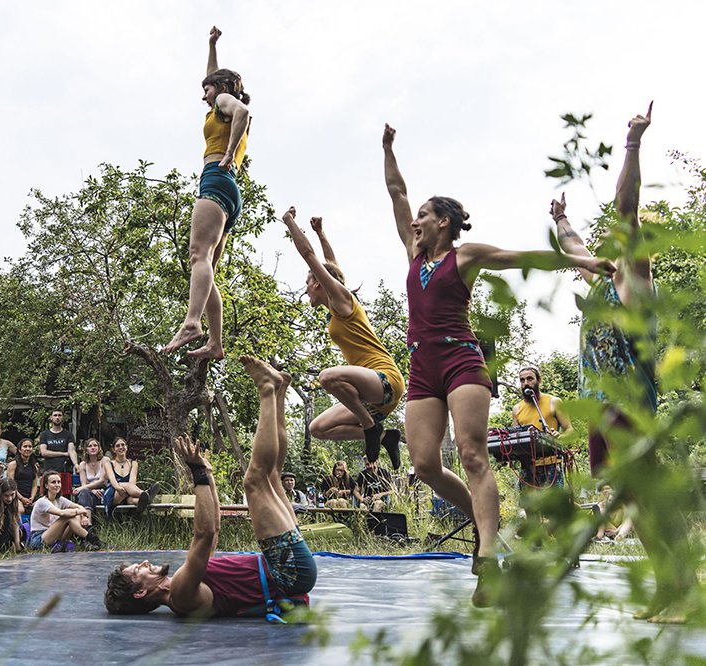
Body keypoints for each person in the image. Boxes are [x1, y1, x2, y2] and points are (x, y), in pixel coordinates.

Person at [382, 123, 614, 606]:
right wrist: (388, 149)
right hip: (422, 363)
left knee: (471, 454)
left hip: (462, 358)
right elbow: (397, 191)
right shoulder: (413, 253)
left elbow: (520, 256)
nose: (415, 221)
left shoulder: (466, 255)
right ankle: (490, 521)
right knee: (424, 463)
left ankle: (487, 558)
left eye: (424, 215)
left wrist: (584, 263)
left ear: (443, 221)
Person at [552, 103, 699, 622]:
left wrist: (633, 142)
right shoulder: (602, 283)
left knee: (643, 492)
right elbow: (574, 249)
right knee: (630, 495)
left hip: (627, 404)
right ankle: (672, 582)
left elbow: (626, 207)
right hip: (599, 407)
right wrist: (562, 219)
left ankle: (680, 585)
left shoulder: (636, 281)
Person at [105, 356, 317, 618]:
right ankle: (266, 389)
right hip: (288, 572)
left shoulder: (183, 587)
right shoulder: (180, 595)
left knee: (272, 476)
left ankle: (278, 392)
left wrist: (207, 475)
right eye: (138, 570)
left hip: (287, 569)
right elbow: (204, 535)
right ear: (140, 593)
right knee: (254, 481)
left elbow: (213, 529)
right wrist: (197, 472)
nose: (145, 562)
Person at [281, 209, 405, 468]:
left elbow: (311, 257)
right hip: (372, 394)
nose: (305, 289)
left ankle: (371, 427)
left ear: (318, 283)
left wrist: (290, 221)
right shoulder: (335, 306)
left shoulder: (343, 301)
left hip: (386, 380)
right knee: (318, 428)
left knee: (328, 377)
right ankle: (384, 435)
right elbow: (331, 265)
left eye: (307, 281)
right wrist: (320, 233)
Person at [163, 26, 251, 360]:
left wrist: (227, 155)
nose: (204, 96)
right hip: (230, 192)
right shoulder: (220, 101)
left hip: (215, 177)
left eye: (208, 89)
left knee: (198, 255)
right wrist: (211, 45)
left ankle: (191, 322)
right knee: (208, 268)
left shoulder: (227, 103)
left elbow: (242, 111)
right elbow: (212, 79)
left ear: (224, 89)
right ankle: (215, 343)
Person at [511, 366, 572, 489]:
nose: (526, 383)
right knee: (529, 508)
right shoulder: (517, 408)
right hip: (527, 467)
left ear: (538, 380)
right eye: (522, 380)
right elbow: (514, 436)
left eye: (530, 379)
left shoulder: (554, 402)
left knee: (554, 507)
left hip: (551, 464)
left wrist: (560, 436)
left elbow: (570, 429)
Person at [29, 470, 101, 551]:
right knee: (68, 516)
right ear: (46, 486)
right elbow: (62, 513)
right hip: (39, 539)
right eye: (53, 482)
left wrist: (83, 516)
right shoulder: (42, 501)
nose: (57, 485)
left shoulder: (59, 499)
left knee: (74, 516)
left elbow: (79, 506)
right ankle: (93, 540)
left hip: (54, 534)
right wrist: (81, 512)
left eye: (58, 482)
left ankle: (86, 540)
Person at [38, 409, 78, 495]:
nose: (57, 417)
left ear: (62, 418)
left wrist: (76, 464)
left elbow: (71, 450)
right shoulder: (44, 435)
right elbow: (44, 452)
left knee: (64, 496)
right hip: (49, 470)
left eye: (59, 415)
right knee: (47, 496)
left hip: (64, 470)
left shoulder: (68, 434)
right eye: (55, 415)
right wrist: (63, 453)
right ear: (51, 418)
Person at [74, 438, 109, 513]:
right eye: (90, 446)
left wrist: (82, 488)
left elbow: (102, 481)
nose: (93, 448)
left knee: (83, 492)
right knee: (84, 493)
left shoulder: (105, 460)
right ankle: (88, 521)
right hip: (89, 492)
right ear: (86, 449)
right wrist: (92, 490)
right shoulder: (82, 464)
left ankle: (87, 519)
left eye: (95, 445)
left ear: (99, 448)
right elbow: (84, 484)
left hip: (103, 490)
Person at [7, 438, 39, 518]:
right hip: (15, 495)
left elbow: (34, 485)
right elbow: (10, 485)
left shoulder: (34, 466)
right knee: (20, 510)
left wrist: (31, 498)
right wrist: (21, 498)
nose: (28, 449)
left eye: (30, 446)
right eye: (25, 446)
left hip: (30, 497)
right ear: (20, 450)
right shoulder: (13, 464)